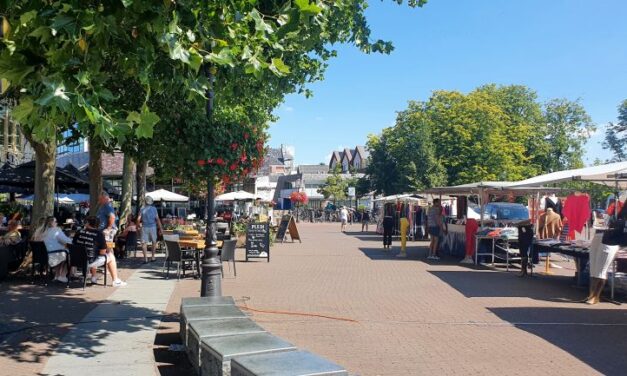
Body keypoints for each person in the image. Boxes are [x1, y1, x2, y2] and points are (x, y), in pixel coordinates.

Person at [584, 202, 626, 305]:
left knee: (601, 270)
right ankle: (591, 294)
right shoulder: (617, 204)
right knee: (593, 269)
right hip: (599, 235)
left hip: (611, 239)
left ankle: (595, 296)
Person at [73, 216, 126, 287]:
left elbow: (73, 244)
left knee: (93, 254)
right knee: (110, 256)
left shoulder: (79, 232)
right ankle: (115, 280)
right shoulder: (99, 234)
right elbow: (102, 253)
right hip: (89, 261)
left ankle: (93, 278)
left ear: (87, 223)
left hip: (76, 260)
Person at [42, 216, 73, 283]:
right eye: (55, 221)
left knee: (63, 252)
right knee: (70, 255)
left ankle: (57, 275)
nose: (57, 223)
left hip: (45, 255)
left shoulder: (44, 231)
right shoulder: (56, 230)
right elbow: (66, 240)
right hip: (53, 255)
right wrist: (72, 239)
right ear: (52, 223)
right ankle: (62, 276)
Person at [138, 196, 163, 263]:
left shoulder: (142, 209)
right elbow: (157, 219)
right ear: (151, 202)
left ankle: (145, 258)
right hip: (153, 227)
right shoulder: (154, 209)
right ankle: (153, 257)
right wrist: (160, 228)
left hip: (144, 227)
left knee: (144, 243)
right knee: (154, 242)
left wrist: (138, 226)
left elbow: (138, 219)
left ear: (145, 202)